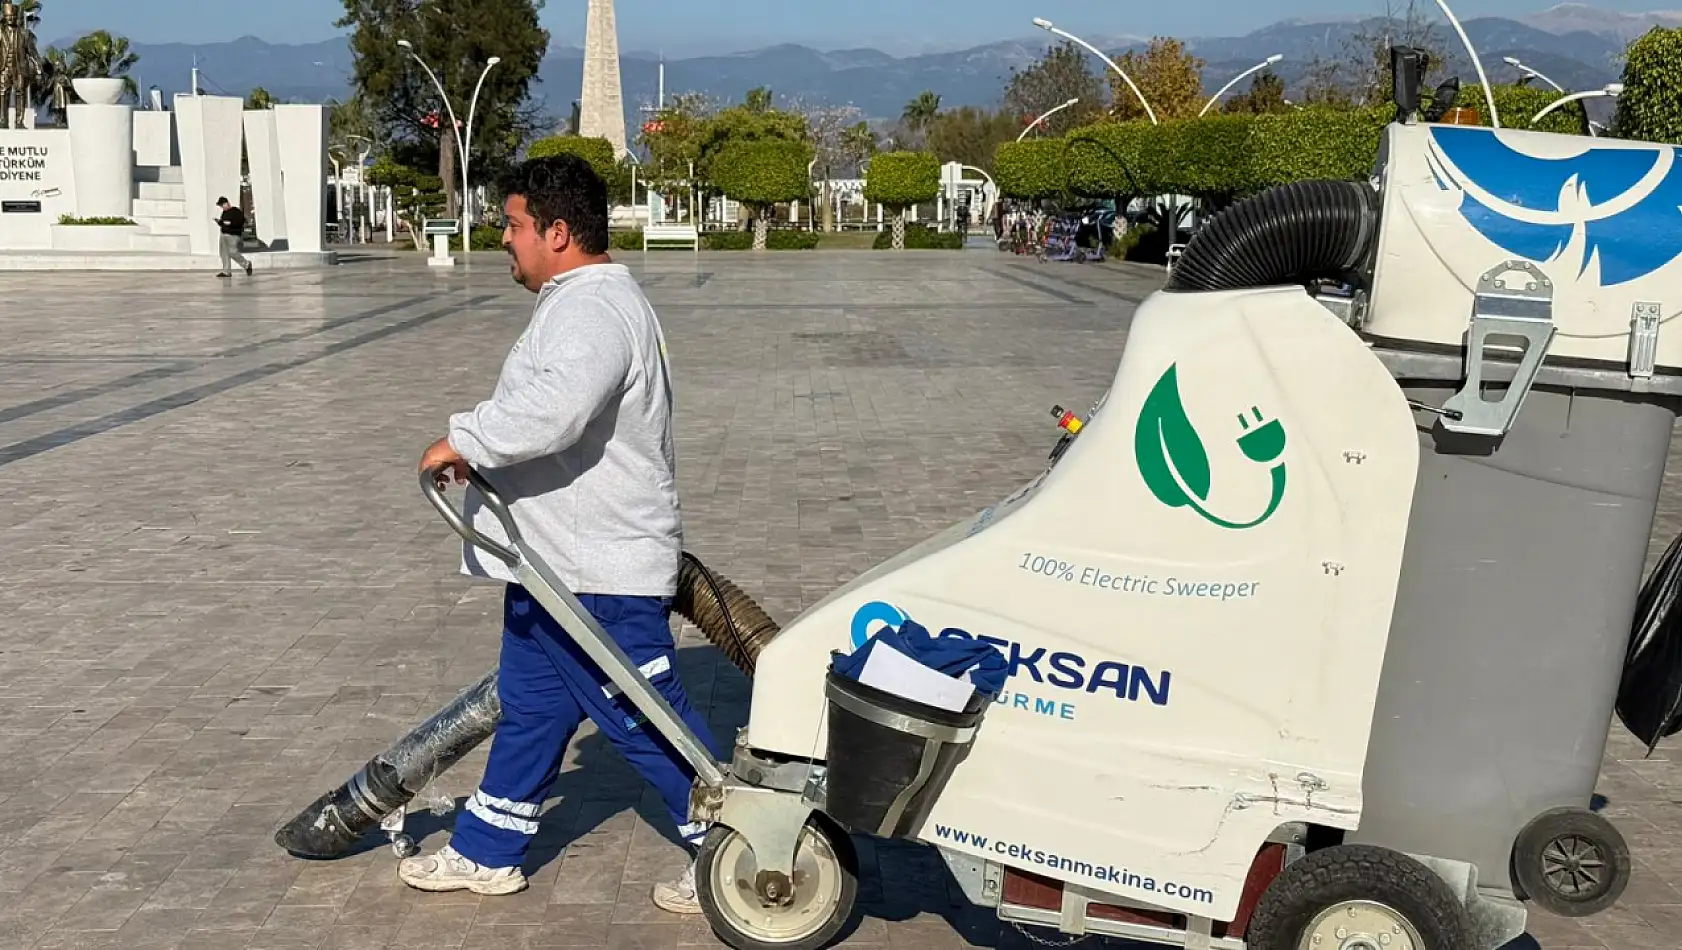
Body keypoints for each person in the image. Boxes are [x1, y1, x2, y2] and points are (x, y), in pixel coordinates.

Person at [403, 153, 719, 914]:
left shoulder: (592, 309)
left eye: (513, 225)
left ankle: (738, 846)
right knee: (536, 706)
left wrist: (464, 440)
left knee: (642, 715)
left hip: (597, 569)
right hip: (552, 565)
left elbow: (557, 411)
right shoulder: (582, 299)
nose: (504, 239)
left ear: (559, 230)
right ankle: (487, 852)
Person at [214, 197, 252, 277]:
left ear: (226, 203)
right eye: (221, 206)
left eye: (222, 205)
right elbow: (223, 224)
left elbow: (240, 222)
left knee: (232, 252)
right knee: (223, 253)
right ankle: (226, 271)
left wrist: (230, 223)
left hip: (233, 235)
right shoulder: (224, 213)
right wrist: (220, 222)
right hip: (223, 234)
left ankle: (246, 264)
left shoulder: (236, 212)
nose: (222, 207)